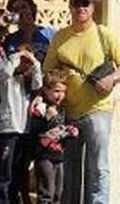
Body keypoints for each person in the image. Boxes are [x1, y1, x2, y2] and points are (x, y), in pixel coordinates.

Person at [43, 0, 120, 204]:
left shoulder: (104, 34)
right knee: (70, 165)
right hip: (69, 110)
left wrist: (111, 79)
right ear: (70, 7)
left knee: (98, 165)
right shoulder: (60, 36)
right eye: (77, 4)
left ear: (92, 8)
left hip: (98, 108)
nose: (81, 8)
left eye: (85, 4)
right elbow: (48, 71)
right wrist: (54, 96)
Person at [0, 39, 42, 204]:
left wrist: (34, 61)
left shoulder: (27, 82)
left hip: (24, 130)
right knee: (3, 174)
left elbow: (38, 83)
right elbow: (6, 72)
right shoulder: (5, 78)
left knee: (18, 171)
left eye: (27, 61)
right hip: (7, 129)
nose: (24, 63)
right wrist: (17, 56)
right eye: (23, 60)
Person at [29, 70, 79, 204]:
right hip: (44, 155)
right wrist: (48, 119)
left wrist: (70, 131)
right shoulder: (41, 107)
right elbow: (34, 129)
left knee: (58, 192)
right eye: (56, 91)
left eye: (63, 92)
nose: (60, 95)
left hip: (59, 155)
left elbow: (63, 129)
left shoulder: (61, 109)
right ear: (46, 90)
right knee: (46, 192)